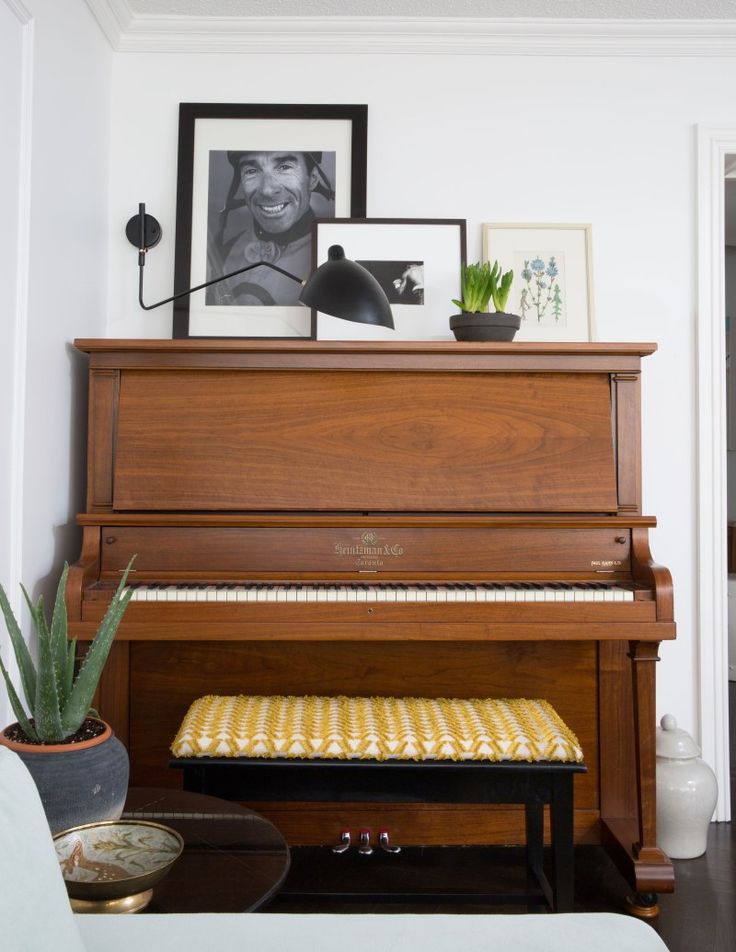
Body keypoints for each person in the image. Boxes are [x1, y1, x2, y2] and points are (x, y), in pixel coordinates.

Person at [206, 150, 335, 307]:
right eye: (251, 171)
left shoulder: (332, 261)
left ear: (312, 179)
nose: (267, 189)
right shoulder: (223, 252)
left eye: (285, 167)